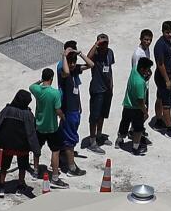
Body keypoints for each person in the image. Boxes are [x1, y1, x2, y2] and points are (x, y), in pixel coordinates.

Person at [0, 89, 39, 197]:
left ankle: (1, 185)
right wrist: (36, 149)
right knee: (22, 166)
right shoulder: (28, 114)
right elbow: (31, 133)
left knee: (4, 166)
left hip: (8, 145)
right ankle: (20, 185)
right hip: (22, 147)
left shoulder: (6, 110)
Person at [57, 41, 92, 176]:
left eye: (74, 62)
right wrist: (65, 56)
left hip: (75, 109)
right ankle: (71, 167)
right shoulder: (63, 70)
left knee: (67, 136)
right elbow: (66, 71)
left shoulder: (74, 69)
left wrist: (80, 54)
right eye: (70, 62)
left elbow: (91, 65)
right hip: (68, 110)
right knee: (70, 139)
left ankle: (62, 157)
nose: (72, 65)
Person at [30, 68, 68, 189]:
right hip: (52, 128)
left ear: (43, 78)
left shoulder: (37, 90)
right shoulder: (55, 93)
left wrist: (41, 80)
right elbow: (57, 110)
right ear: (52, 78)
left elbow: (31, 86)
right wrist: (63, 117)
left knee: (37, 149)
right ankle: (55, 177)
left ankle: (35, 171)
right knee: (55, 151)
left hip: (39, 126)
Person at [150, 21, 171, 141]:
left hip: (164, 77)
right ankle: (169, 129)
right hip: (163, 77)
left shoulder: (167, 42)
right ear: (162, 31)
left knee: (160, 98)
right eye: (167, 32)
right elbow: (160, 64)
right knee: (167, 104)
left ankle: (159, 121)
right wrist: (167, 80)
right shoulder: (160, 45)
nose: (170, 34)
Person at [84, 34, 115, 154]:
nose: (104, 45)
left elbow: (110, 69)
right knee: (94, 116)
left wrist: (111, 85)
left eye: (106, 43)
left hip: (107, 89)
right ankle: (92, 142)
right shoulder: (95, 54)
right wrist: (96, 45)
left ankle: (99, 134)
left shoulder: (110, 52)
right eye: (102, 43)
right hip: (97, 89)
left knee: (103, 114)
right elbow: (87, 58)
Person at [117, 58, 153, 156]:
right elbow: (140, 101)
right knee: (138, 129)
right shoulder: (140, 82)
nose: (149, 71)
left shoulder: (134, 70)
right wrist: (145, 112)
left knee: (124, 123)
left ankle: (119, 141)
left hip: (127, 105)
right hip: (136, 109)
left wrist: (147, 76)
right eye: (148, 69)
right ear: (142, 69)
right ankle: (135, 148)